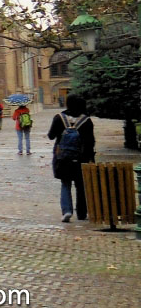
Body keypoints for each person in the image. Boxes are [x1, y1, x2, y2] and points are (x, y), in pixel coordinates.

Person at [48, 94, 95, 223]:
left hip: (62, 157)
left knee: (65, 183)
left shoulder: (59, 118)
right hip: (81, 158)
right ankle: (81, 213)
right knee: (81, 185)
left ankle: (67, 211)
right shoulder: (86, 120)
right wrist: (90, 158)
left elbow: (51, 136)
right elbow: (91, 142)